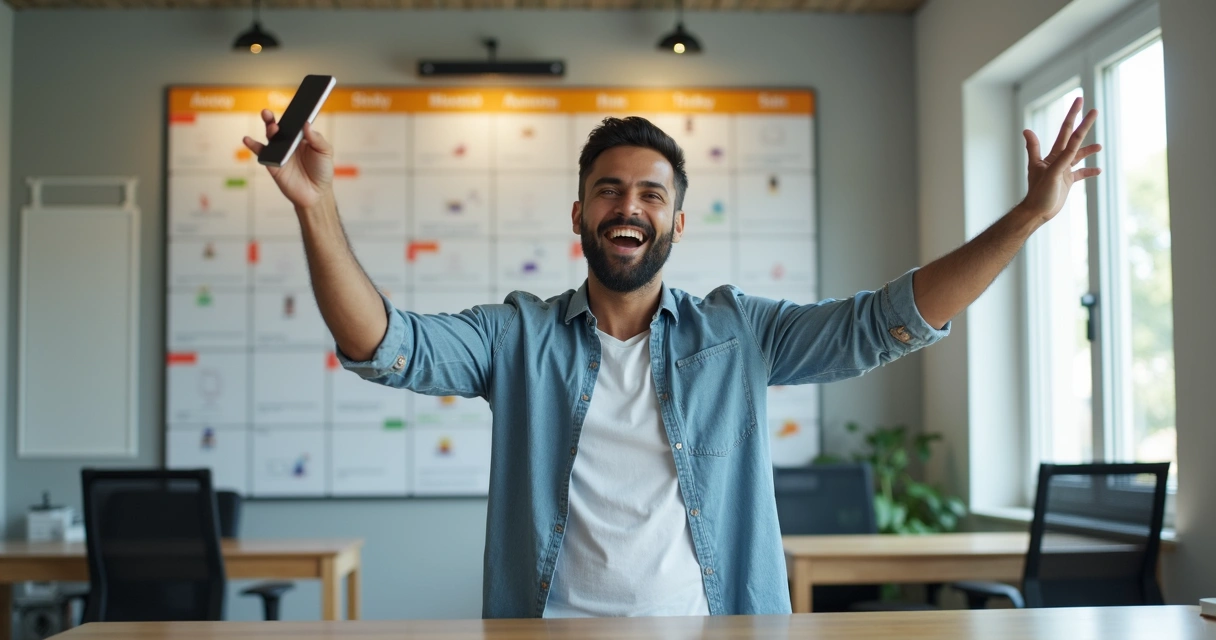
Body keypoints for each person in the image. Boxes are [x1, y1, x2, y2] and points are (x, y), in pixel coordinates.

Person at [242, 100, 1100, 618]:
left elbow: (886, 322)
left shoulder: (740, 333)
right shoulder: (516, 337)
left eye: (652, 194)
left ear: (677, 223)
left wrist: (1029, 216)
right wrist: (315, 209)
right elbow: (385, 344)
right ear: (578, 215)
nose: (630, 207)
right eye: (609, 190)